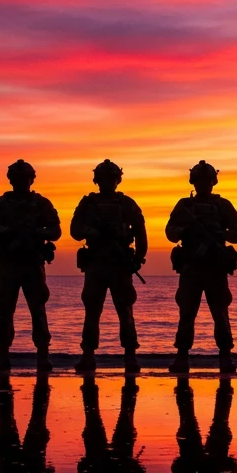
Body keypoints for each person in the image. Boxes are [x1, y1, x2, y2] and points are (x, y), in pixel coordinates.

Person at [0, 160, 61, 372]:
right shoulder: (1, 203)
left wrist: (37, 233)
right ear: (11, 180)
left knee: (38, 310)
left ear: (32, 179)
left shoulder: (41, 203)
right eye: (17, 179)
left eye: (25, 179)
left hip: (33, 263)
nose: (22, 182)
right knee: (5, 310)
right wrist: (6, 232)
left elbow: (56, 231)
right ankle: (2, 356)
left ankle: (43, 357)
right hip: (9, 262)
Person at [166, 161, 237, 374]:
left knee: (220, 314)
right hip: (191, 268)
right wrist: (187, 230)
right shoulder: (184, 206)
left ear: (213, 182)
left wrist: (219, 234)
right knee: (187, 314)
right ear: (193, 182)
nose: (203, 185)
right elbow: (170, 233)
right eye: (199, 181)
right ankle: (182, 356)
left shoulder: (223, 206)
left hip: (215, 269)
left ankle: (225, 357)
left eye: (207, 181)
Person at [70, 160, 147, 374]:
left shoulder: (127, 204)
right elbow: (75, 230)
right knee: (92, 311)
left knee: (125, 311)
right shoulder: (88, 204)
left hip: (120, 265)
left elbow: (140, 232)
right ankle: (88, 356)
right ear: (97, 180)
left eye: (111, 179)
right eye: (103, 179)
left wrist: (138, 259)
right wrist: (91, 232)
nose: (107, 183)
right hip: (96, 264)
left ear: (117, 180)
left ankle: (130, 356)